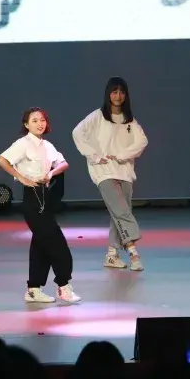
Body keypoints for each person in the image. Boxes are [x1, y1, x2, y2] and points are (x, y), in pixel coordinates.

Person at [0, 107, 79, 303]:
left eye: (42, 120)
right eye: (34, 120)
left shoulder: (47, 145)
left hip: (45, 196)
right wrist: (21, 178)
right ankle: (63, 285)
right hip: (32, 198)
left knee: (40, 246)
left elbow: (63, 163)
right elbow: (1, 160)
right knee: (57, 244)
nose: (40, 124)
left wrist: (51, 173)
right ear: (26, 124)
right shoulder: (23, 144)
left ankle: (33, 289)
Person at [71, 77, 149, 271]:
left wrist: (122, 155)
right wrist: (94, 156)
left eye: (122, 92)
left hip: (125, 172)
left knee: (119, 212)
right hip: (104, 171)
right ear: (108, 94)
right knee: (121, 211)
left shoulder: (129, 120)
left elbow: (142, 141)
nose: (118, 96)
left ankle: (112, 255)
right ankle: (133, 252)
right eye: (114, 92)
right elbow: (77, 132)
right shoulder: (98, 116)